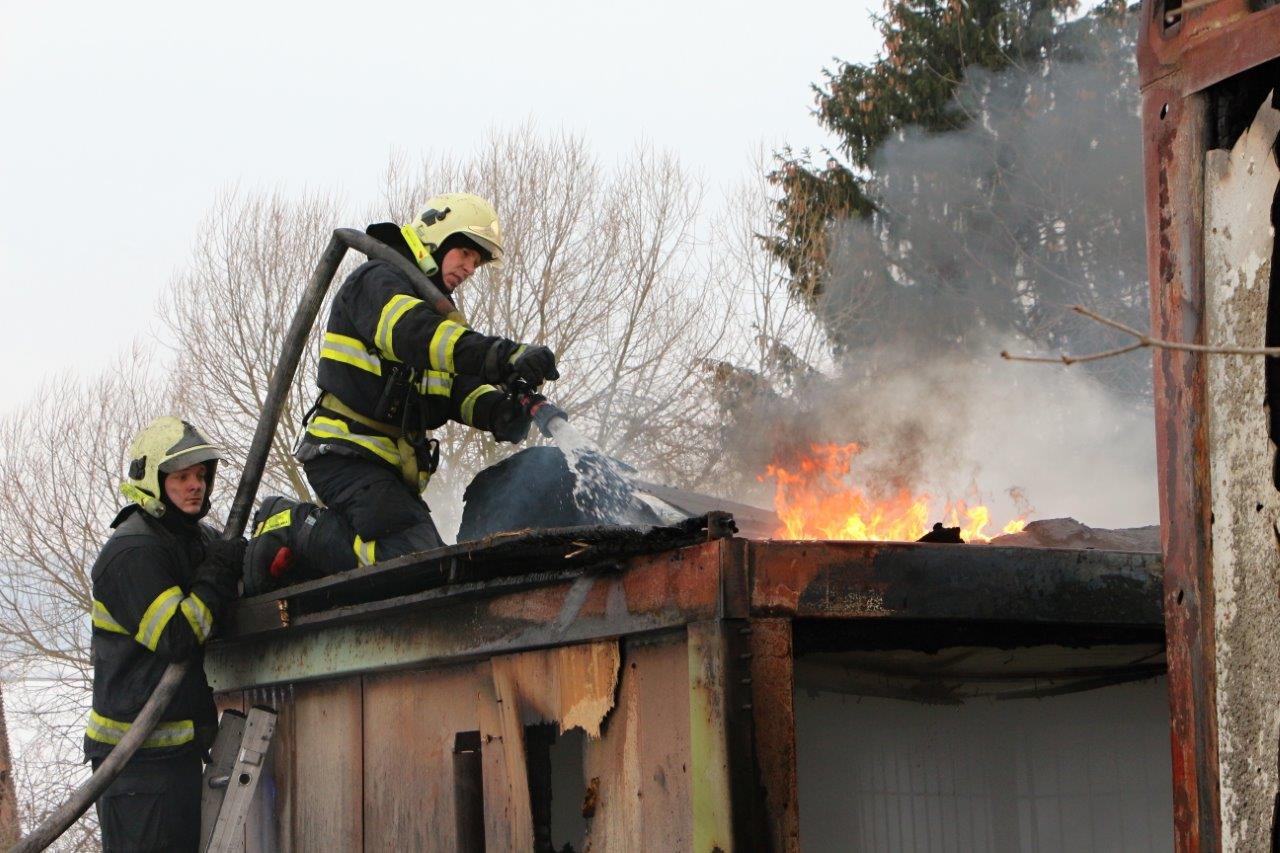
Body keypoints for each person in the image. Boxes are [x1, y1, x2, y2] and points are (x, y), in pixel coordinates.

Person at [243, 193, 559, 593]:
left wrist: (499, 411)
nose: (468, 268)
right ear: (434, 238)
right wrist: (500, 355)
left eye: (476, 262)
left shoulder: (427, 310)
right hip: (345, 453)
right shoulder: (377, 280)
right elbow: (412, 335)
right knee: (412, 559)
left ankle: (316, 566)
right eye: (464, 252)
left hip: (382, 466)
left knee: (428, 561)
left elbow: (450, 389)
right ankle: (291, 524)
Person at [85, 417, 244, 852]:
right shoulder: (132, 553)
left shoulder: (191, 540)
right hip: (135, 766)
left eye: (200, 476)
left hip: (174, 756)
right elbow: (178, 636)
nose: (196, 486)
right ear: (153, 480)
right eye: (181, 477)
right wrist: (217, 574)